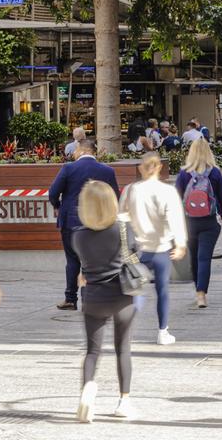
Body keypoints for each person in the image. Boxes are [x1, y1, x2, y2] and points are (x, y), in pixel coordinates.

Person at [72, 181, 139, 422]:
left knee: (92, 351)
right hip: (122, 296)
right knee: (123, 348)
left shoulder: (78, 236)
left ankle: (87, 390)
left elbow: (83, 262)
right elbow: (135, 251)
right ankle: (124, 401)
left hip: (93, 300)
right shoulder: (122, 228)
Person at [120, 152, 186, 345]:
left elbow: (122, 217)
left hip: (138, 249)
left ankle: (126, 329)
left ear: (141, 168)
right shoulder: (167, 192)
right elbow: (175, 220)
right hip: (161, 248)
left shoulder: (131, 190)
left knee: (135, 289)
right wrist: (180, 244)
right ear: (158, 167)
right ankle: (162, 331)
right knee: (162, 290)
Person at [49, 139, 119, 311]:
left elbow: (53, 192)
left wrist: (58, 206)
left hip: (71, 222)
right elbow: (115, 196)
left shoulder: (69, 168)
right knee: (94, 261)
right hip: (98, 222)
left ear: (81, 150)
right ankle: (91, 298)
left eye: (75, 149)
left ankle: (70, 299)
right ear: (94, 152)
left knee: (72, 260)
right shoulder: (107, 171)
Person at [175, 137, 222, 308]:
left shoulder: (184, 173)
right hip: (210, 222)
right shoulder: (215, 172)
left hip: (189, 222)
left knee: (194, 257)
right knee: (204, 257)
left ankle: (198, 290)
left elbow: (178, 197)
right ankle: (201, 294)